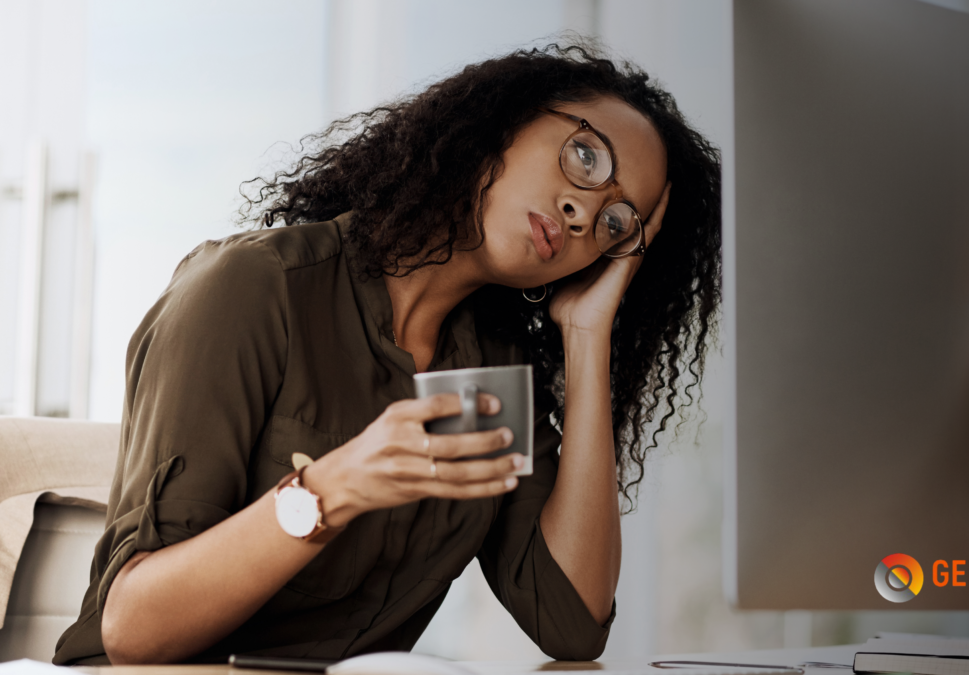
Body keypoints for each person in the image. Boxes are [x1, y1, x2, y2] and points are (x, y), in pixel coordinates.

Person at [53, 43, 721, 665]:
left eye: (614, 224)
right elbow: (132, 625)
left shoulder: (491, 367)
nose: (583, 213)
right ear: (508, 120)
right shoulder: (255, 291)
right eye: (585, 157)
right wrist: (334, 488)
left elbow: (571, 623)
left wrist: (586, 336)